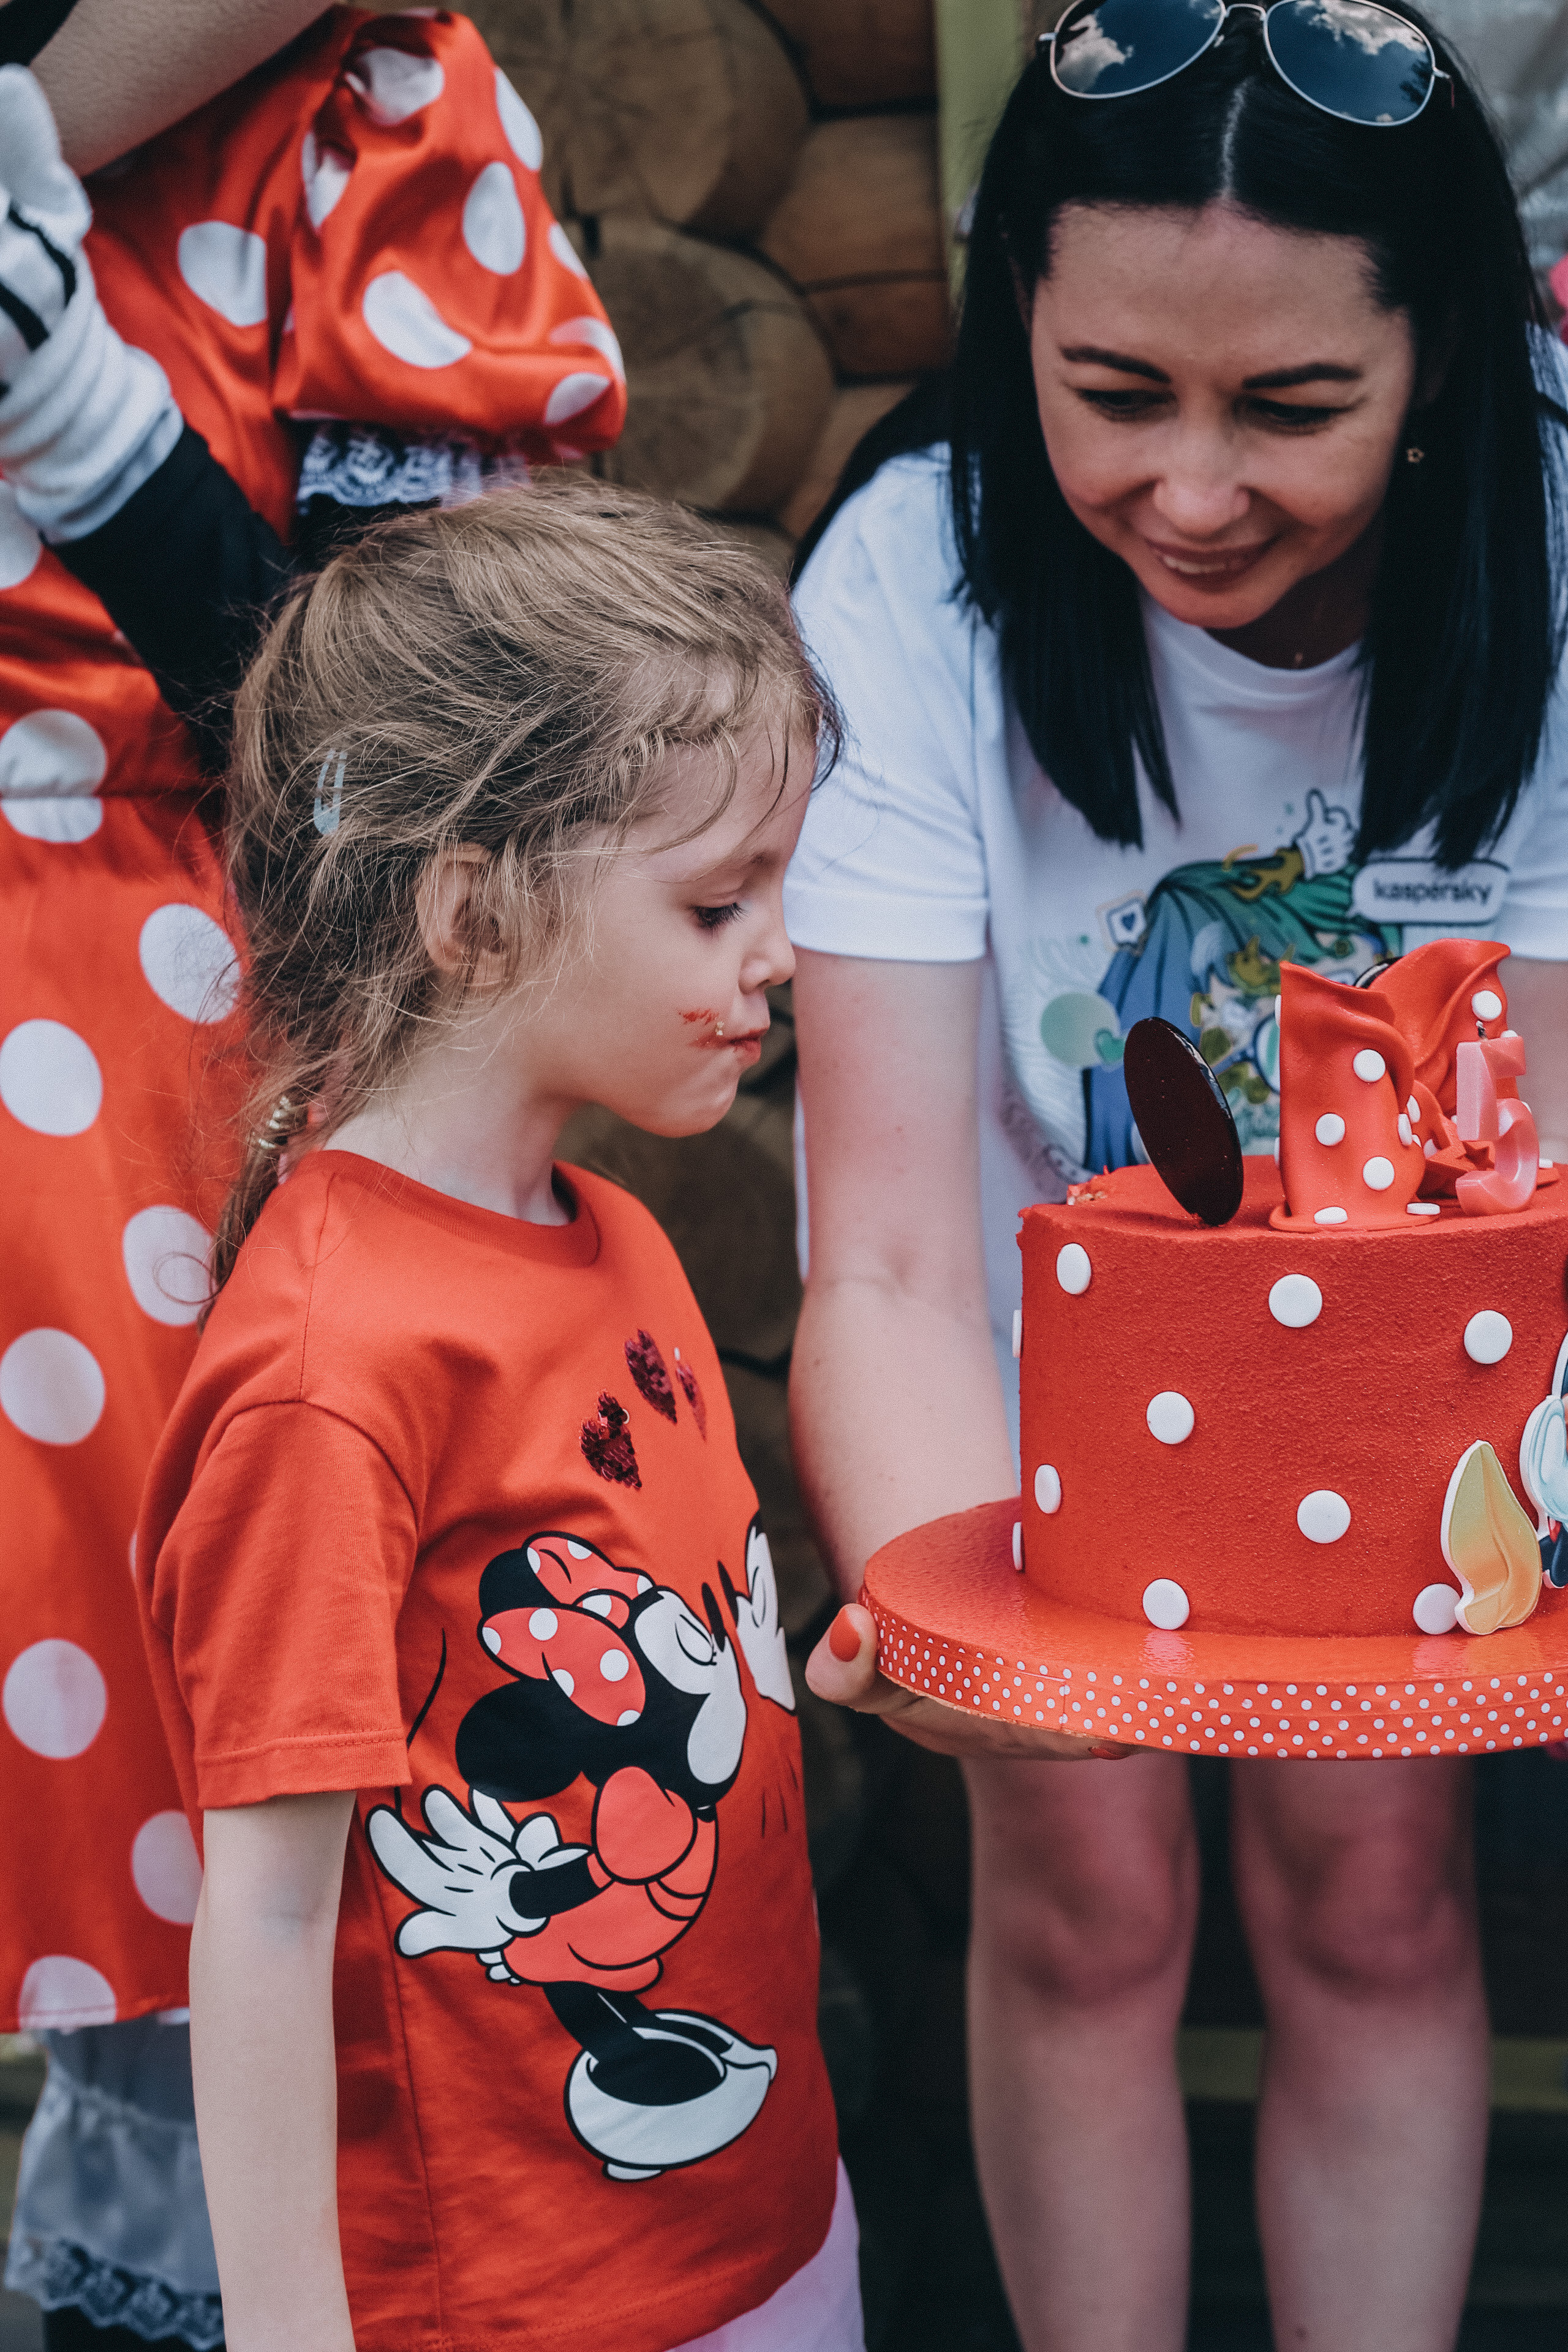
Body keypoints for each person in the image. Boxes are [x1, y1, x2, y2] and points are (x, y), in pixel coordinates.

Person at [787, 4, 1568, 2348]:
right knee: (1082, 1888)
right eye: (1115, 393)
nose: (1198, 494)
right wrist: (969, 1632)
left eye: (1294, 409)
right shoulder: (909, 587)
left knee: (1373, 1890)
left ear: (1443, 353)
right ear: (1006, 300)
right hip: (1048, 1356)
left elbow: (1544, 1186)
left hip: (1429, 1353)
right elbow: (904, 1246)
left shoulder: (1551, 542)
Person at [0, 21, 625, 2346]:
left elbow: (413, 757)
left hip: (204, 1061)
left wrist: (72, 399)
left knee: (269, 1831)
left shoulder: (372, 114)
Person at [126, 477, 860, 2352]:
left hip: (759, 2213)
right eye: (718, 902)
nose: (778, 954)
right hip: (518, 2301)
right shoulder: (330, 1373)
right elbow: (269, 1919)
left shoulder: (614, 1235)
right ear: (472, 911)